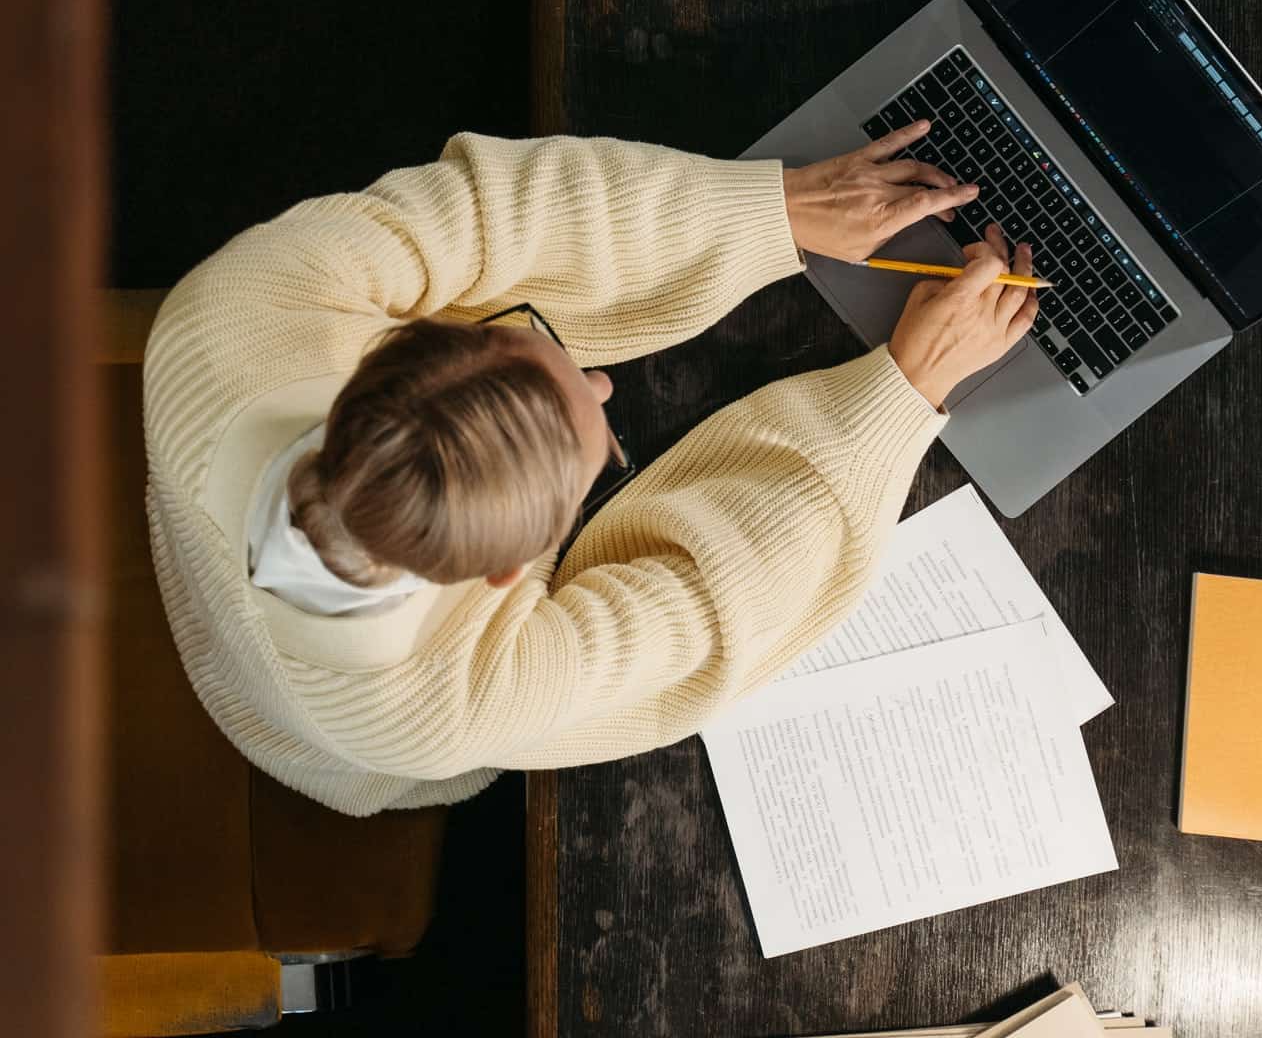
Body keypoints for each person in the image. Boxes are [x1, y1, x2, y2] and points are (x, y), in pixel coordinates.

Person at [143, 124, 1037, 816]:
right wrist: (908, 387)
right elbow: (708, 607)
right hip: (304, 727)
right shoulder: (435, 704)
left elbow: (497, 209)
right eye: (600, 445)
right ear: (511, 574)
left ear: (405, 348)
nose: (603, 381)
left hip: (205, 531)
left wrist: (773, 209)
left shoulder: (234, 310)